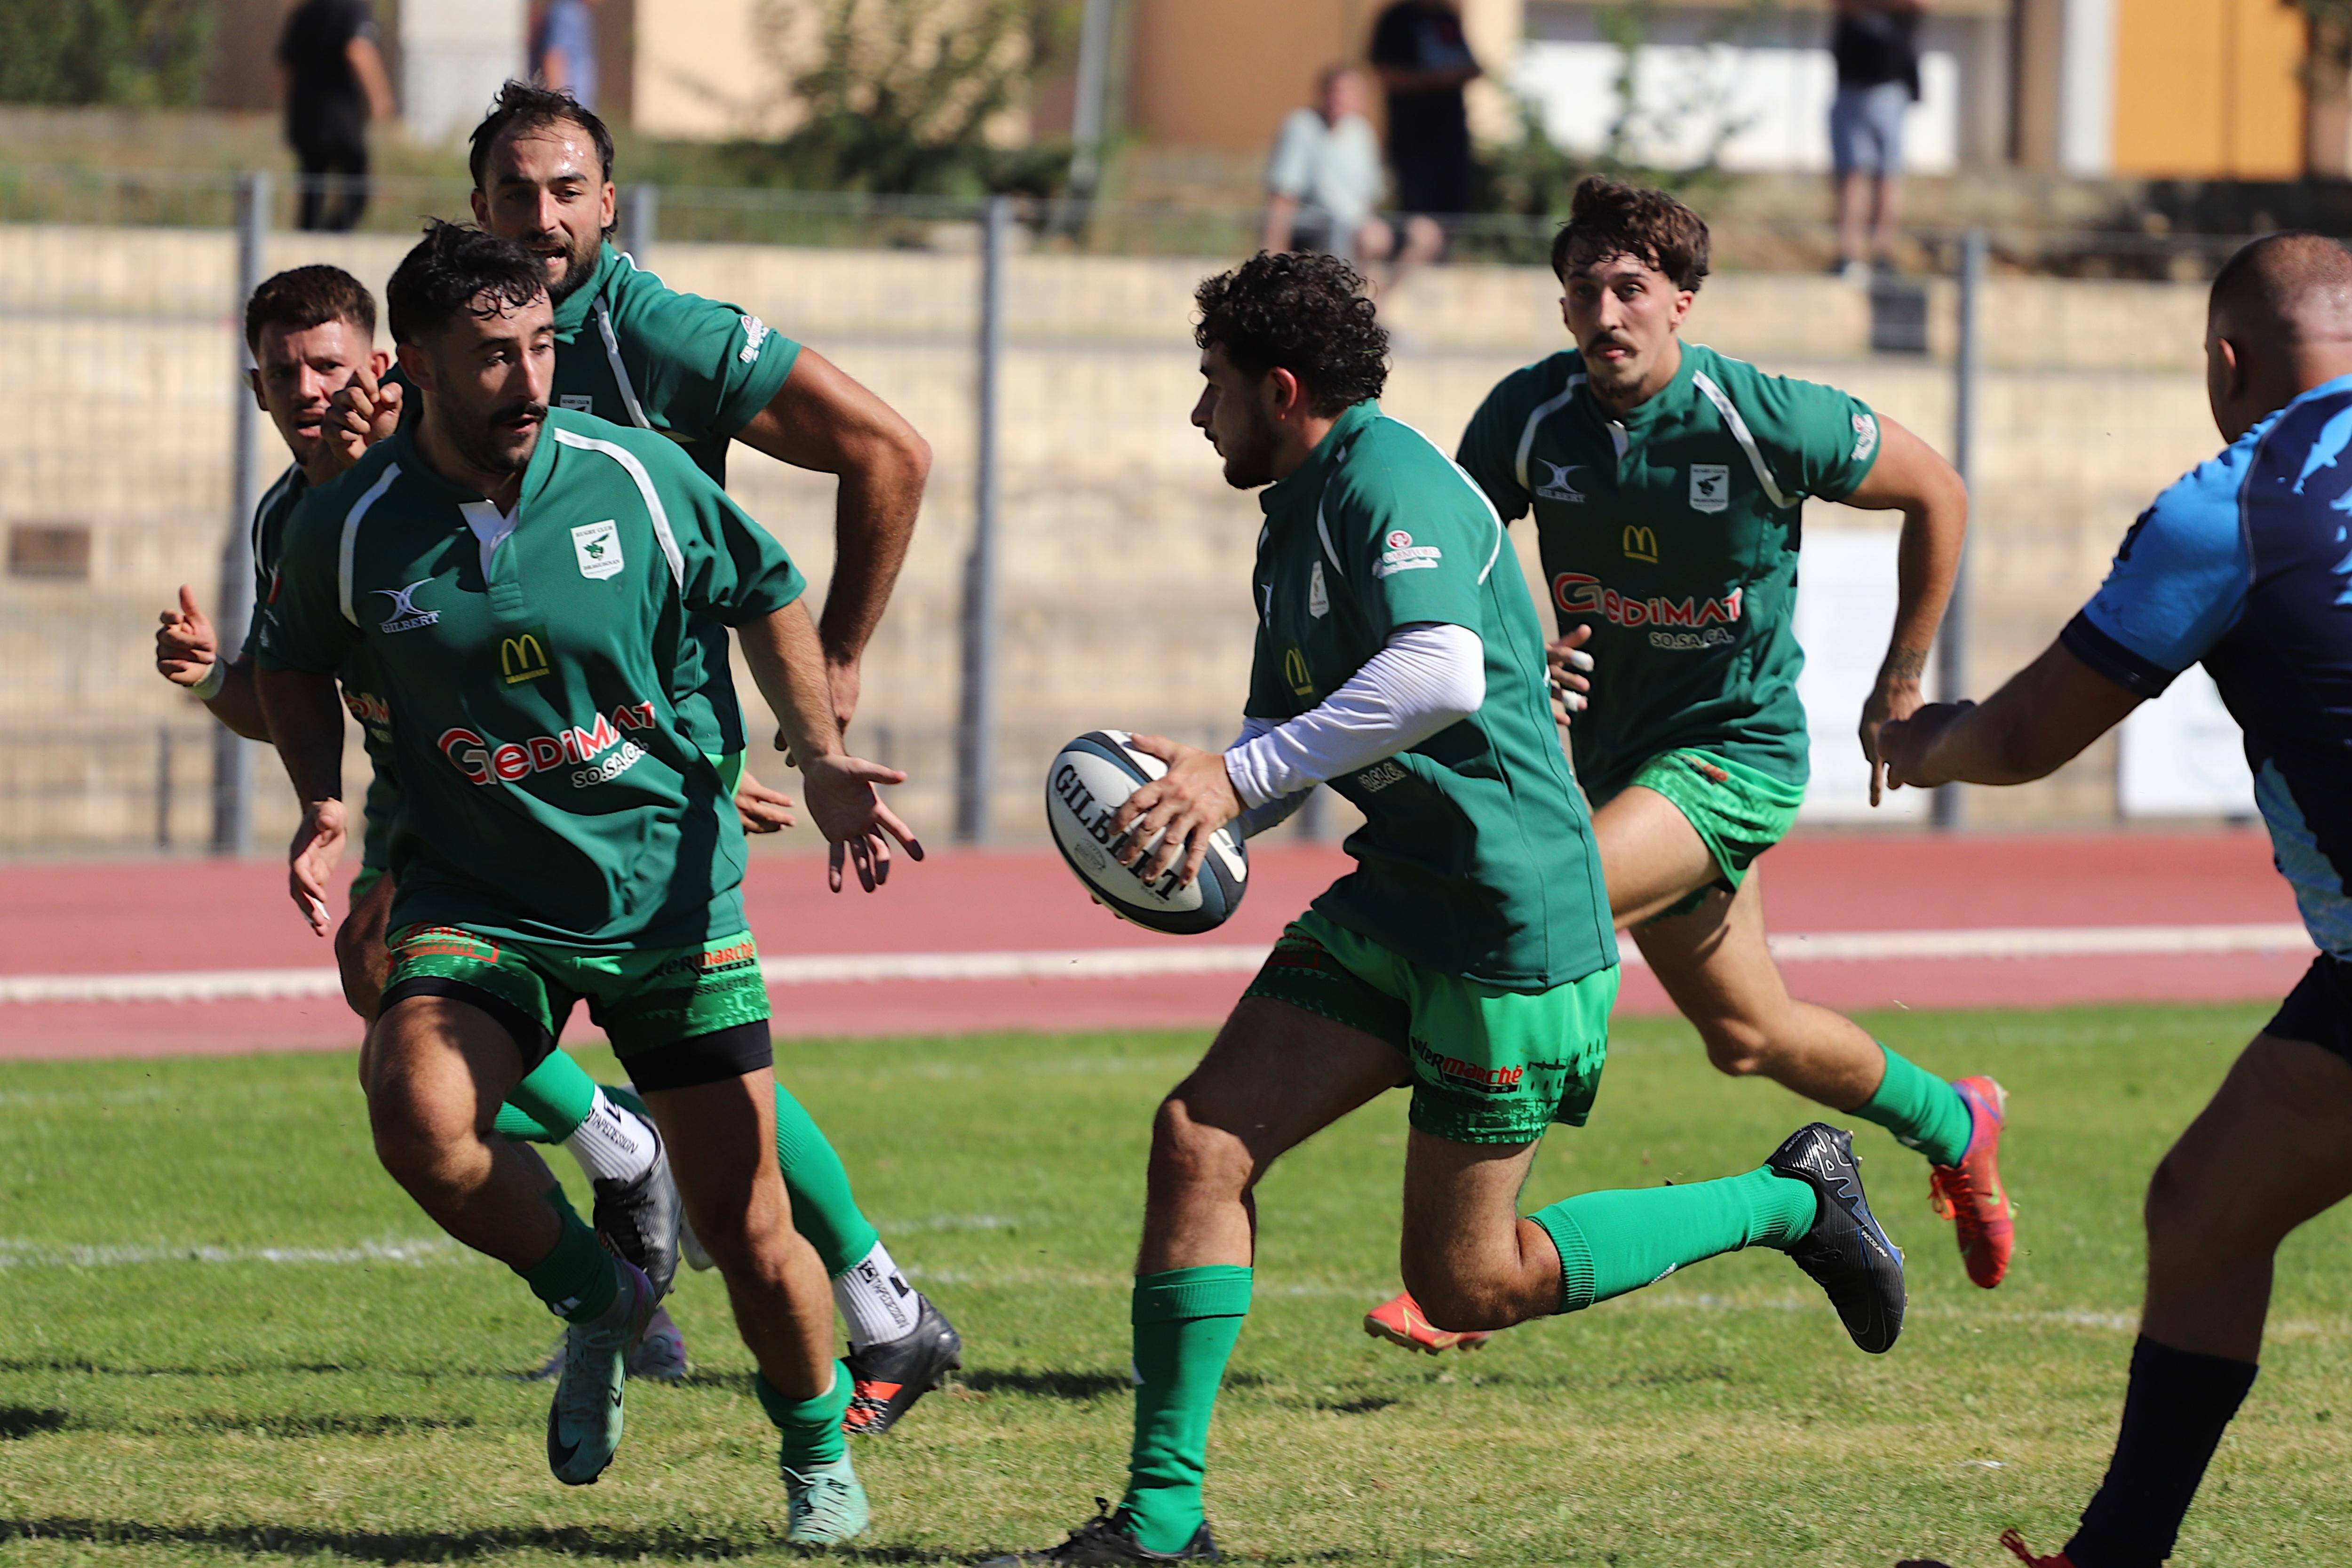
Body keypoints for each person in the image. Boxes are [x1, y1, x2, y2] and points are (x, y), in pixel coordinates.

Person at [977, 250, 1907, 1567]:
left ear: (1281, 388)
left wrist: (1234, 777)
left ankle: (1793, 1200)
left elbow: (1442, 669)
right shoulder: (1296, 509)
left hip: (1508, 922)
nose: (1201, 414)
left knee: (1468, 1283)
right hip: (1402, 897)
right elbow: (1285, 730)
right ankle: (1163, 1524)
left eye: (1214, 386)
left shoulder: (1390, 478)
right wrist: (1190, 820)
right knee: (1199, 1139)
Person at [255, 223, 919, 1542]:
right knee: (418, 1115)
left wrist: (824, 753)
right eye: (492, 355)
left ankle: (811, 1444)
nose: (527, 378)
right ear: (422, 369)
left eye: (542, 347)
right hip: (479, 901)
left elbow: (768, 587)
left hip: (661, 897)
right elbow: (289, 653)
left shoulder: (639, 477)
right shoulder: (348, 524)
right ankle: (601, 1297)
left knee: (748, 1226)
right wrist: (321, 796)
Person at [1362, 175, 1997, 1356]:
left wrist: (1901, 678)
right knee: (1748, 1036)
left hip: (1735, 758)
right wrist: (1522, 645)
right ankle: (1954, 1121)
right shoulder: (1528, 421)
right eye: (1582, 291)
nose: (1604, 313)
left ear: (1681, 301)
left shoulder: (1761, 418)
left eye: (1630, 289)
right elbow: (1451, 567)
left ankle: (1473, 1275)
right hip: (1612, 772)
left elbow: (1938, 491)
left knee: (1541, 908)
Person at [1880, 231, 2352, 1568]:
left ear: (2227, 361)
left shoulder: (2240, 499)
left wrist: (1925, 742)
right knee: (2209, 1202)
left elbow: (2029, 736)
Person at [155, 266, 695, 1376]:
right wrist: (218, 683)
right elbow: (291, 686)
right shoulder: (290, 518)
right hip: (423, 796)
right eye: (284, 371)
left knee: (689, 1055)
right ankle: (619, 1185)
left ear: (384, 370)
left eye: (331, 366)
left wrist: (698, 746)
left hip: (540, 792)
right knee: (390, 1018)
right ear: (254, 388)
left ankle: (861, 1300)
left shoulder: (445, 472)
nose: (311, 388)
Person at [1262, 64, 1439, 277]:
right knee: (1365, 237)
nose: (1341, 99)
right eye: (1337, 91)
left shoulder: (1361, 131)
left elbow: (1370, 198)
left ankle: (1379, 302)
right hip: (1318, 226)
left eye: (1349, 92)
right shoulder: (1301, 126)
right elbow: (1284, 196)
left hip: (1359, 225)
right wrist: (1273, 256)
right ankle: (1348, 298)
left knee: (1425, 234)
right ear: (1323, 93)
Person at [276, 0, 395, 233]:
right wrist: (379, 97)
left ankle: (311, 238)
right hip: (341, 116)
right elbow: (358, 49)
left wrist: (289, 108)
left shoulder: (306, 11)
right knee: (357, 188)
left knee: (312, 189)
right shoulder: (354, 8)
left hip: (305, 114)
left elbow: (285, 67)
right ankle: (335, 236)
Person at [1829, 0, 1925, 280]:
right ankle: (1849, 255)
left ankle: (1883, 254)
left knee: (1888, 175)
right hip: (1851, 84)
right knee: (1852, 174)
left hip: (1890, 84)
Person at [1368, 0, 1482, 227]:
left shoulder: (1446, 18)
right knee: (1417, 220)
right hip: (1414, 141)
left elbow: (1470, 65)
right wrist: (1435, 80)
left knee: (1453, 217)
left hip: (1451, 140)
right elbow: (1386, 73)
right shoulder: (1396, 19)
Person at [531, 0, 602, 111]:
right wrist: (557, 105)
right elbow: (555, 57)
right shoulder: (567, 14)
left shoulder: (579, 13)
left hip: (576, 107)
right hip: (567, 108)